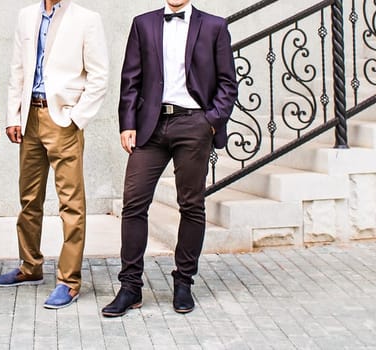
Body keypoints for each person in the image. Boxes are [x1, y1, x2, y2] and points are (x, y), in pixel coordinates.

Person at [102, 0, 238, 317]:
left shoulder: (215, 26)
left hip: (194, 124)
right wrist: (128, 123)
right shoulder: (143, 24)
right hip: (151, 126)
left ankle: (183, 282)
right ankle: (130, 287)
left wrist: (211, 121)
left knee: (191, 203)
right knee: (134, 202)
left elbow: (228, 83)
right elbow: (130, 79)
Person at [0, 0, 108, 310]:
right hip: (29, 118)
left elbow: (99, 76)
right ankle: (30, 267)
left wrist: (76, 118)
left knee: (71, 203)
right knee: (29, 198)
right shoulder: (26, 16)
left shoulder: (87, 19)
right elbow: (18, 70)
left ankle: (68, 281)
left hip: (63, 121)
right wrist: (13, 117)